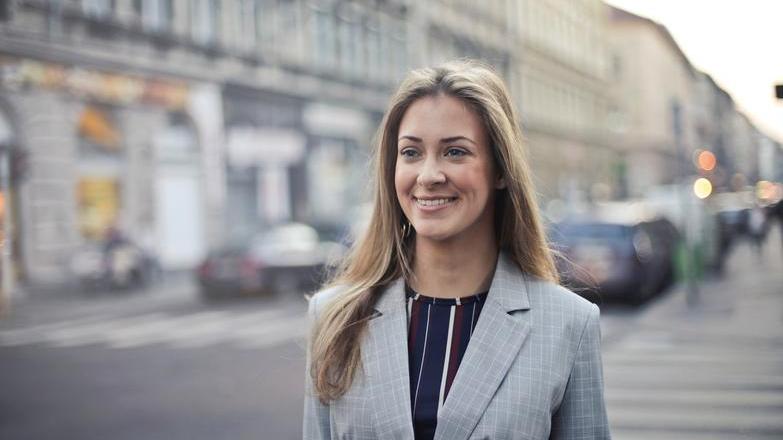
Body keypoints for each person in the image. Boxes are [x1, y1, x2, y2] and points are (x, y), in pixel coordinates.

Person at [304, 60, 610, 440]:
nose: (429, 175)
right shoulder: (335, 317)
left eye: (455, 152)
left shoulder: (568, 323)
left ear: (500, 169)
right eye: (411, 153)